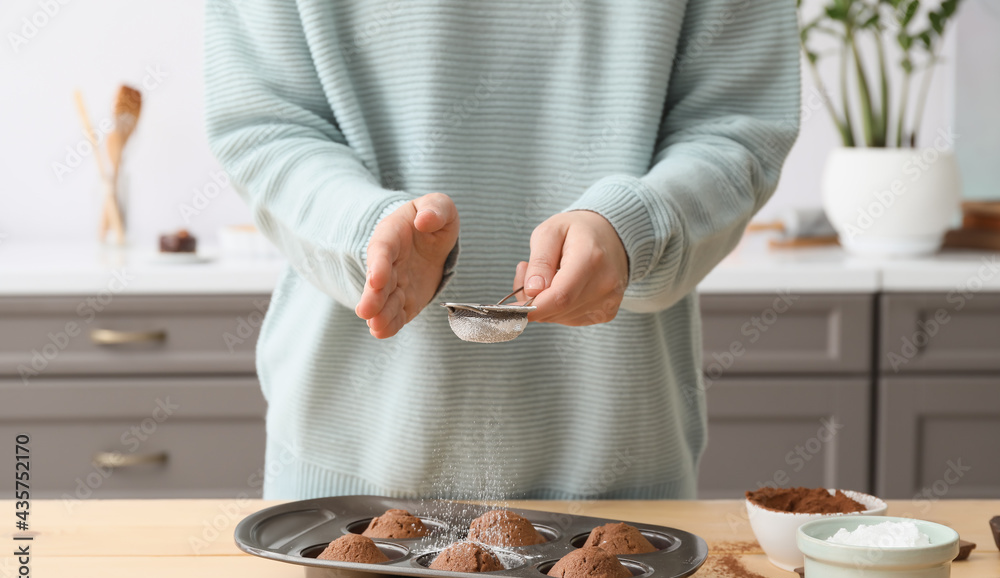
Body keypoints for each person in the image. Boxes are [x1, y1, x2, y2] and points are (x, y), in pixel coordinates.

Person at [204, 0, 800, 500]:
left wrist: (631, 230)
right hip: (344, 489)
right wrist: (367, 229)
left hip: (622, 495)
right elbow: (265, 124)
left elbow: (738, 129)